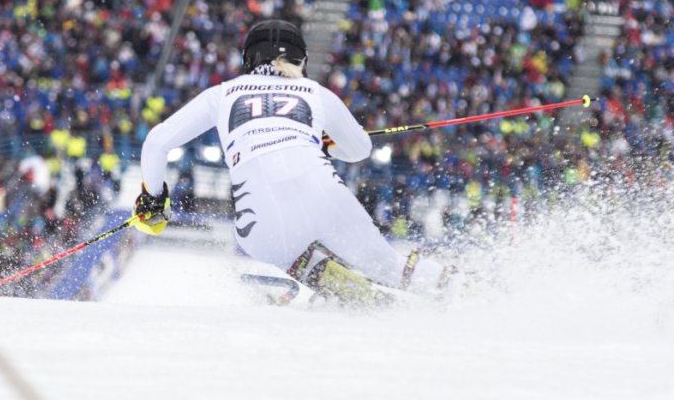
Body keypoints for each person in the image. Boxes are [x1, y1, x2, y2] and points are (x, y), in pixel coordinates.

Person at [133, 19, 456, 304]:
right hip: (324, 194)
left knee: (274, 245)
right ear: (301, 59)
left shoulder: (223, 93)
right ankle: (467, 292)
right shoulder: (316, 92)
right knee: (391, 267)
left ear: (249, 59)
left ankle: (327, 277)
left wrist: (153, 199)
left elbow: (156, 142)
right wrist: (326, 145)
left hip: (260, 223)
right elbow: (359, 150)